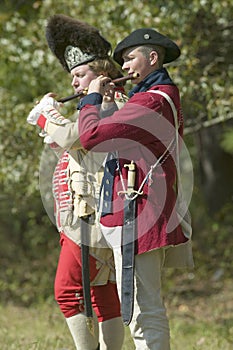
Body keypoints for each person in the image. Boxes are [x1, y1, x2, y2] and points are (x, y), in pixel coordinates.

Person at [77, 28, 194, 350]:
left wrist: (91, 99)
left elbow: (91, 138)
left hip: (140, 212)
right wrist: (115, 107)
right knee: (143, 307)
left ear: (152, 58)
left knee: (144, 310)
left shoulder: (154, 99)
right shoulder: (150, 98)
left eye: (130, 58)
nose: (125, 67)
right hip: (138, 210)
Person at [27, 14, 127, 350]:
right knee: (100, 291)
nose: (74, 83)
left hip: (93, 214)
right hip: (84, 216)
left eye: (80, 74)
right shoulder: (95, 104)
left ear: (101, 73)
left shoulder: (111, 102)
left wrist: (47, 116)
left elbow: (76, 137)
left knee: (67, 291)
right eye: (72, 76)